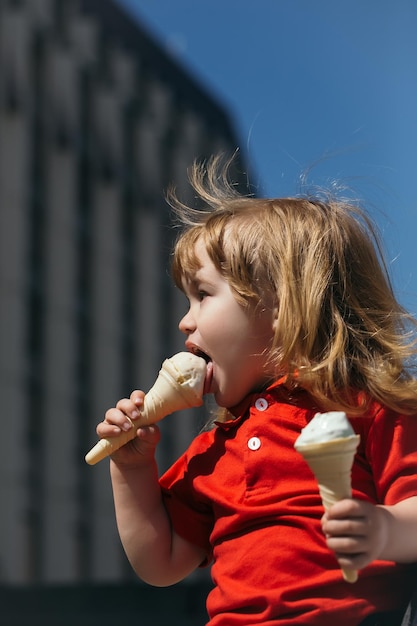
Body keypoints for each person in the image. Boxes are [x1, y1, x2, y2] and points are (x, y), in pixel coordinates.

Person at [96, 155, 417, 625]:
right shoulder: (216, 449)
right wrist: (132, 468)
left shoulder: (370, 404)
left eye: (203, 295)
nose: (185, 320)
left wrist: (386, 529)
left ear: (284, 305)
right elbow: (161, 562)